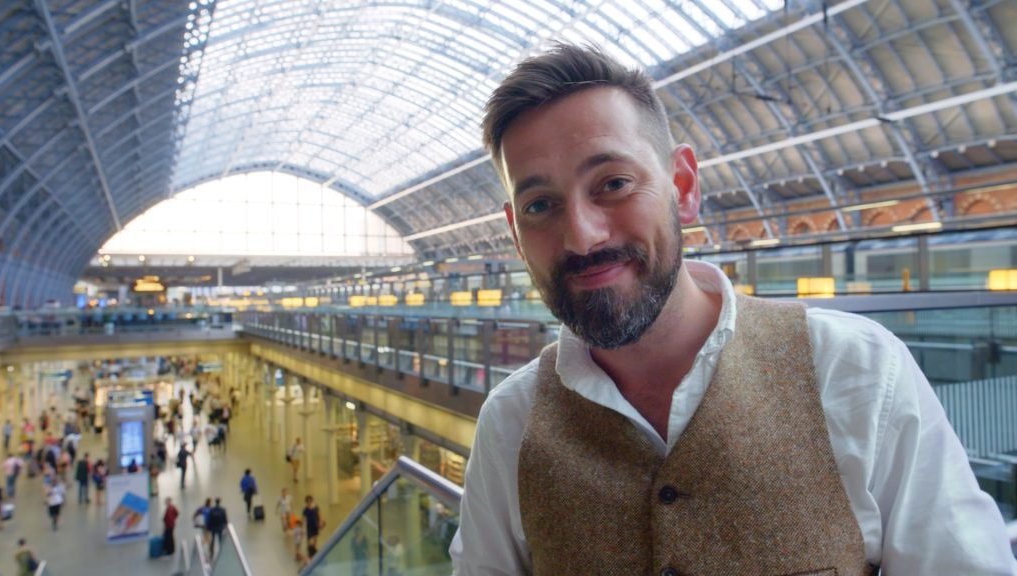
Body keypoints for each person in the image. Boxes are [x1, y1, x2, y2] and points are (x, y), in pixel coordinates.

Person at [450, 43, 1017, 576]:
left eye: (613, 183)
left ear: (684, 185)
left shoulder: (857, 370)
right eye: (540, 204)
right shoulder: (510, 424)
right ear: (515, 233)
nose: (581, 236)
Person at [302, 495, 323, 560]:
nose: (309, 502)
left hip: (315, 525)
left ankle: (314, 549)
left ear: (312, 501)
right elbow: (303, 518)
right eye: (308, 501)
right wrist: (302, 527)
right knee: (309, 539)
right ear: (306, 502)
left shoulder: (316, 507)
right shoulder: (305, 509)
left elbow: (319, 515)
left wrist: (320, 522)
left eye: (310, 501)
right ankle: (309, 550)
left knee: (315, 537)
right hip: (309, 526)